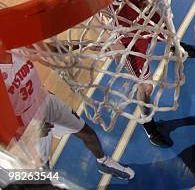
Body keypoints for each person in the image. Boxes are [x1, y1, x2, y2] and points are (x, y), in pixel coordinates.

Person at [92, 0, 195, 147]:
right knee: (146, 86)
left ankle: (177, 47)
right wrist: (112, 38)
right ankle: (148, 124)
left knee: (168, 26)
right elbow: (96, 12)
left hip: (144, 13)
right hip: (125, 31)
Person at [0, 49, 134, 180]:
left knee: (88, 134)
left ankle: (104, 162)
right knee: (41, 168)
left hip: (45, 99)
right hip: (26, 121)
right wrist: (29, 131)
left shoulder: (17, 46)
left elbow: (50, 48)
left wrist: (84, 46)